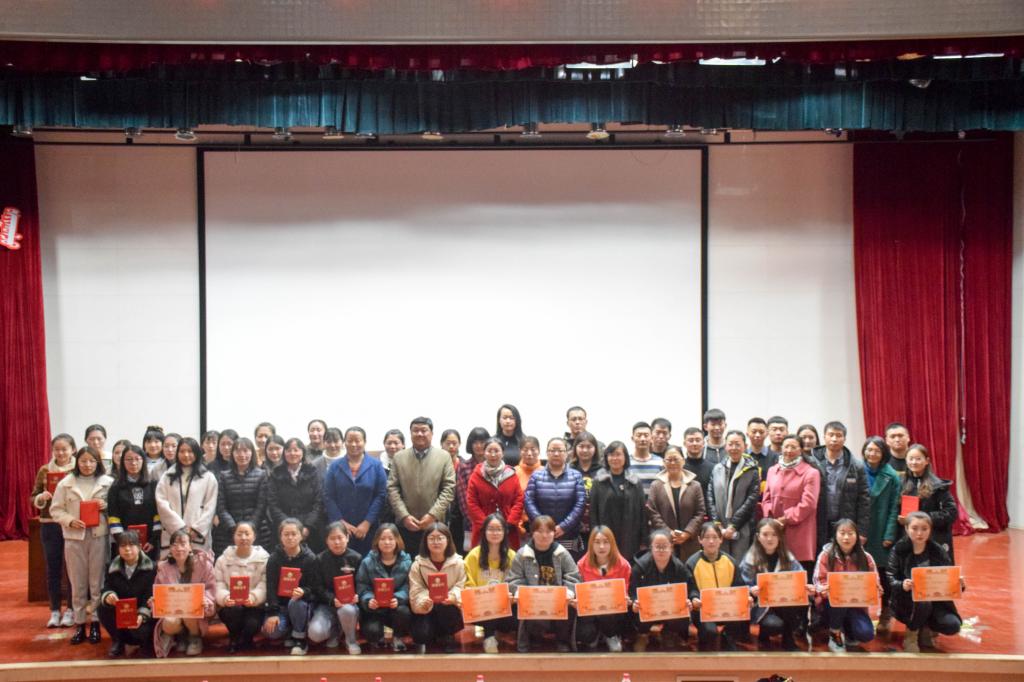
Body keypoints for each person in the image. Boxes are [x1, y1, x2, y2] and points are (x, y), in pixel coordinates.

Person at [50, 446, 113, 645]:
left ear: (98, 463)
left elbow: (118, 507)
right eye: (83, 461)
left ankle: (95, 622)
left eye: (92, 461)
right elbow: (55, 510)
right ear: (77, 462)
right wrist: (69, 520)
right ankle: (79, 624)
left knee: (97, 582)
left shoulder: (107, 482)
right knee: (77, 583)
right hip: (74, 538)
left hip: (98, 536)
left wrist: (106, 506)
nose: (87, 465)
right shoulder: (66, 483)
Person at [888, 511, 965, 652]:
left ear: (930, 530)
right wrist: (902, 585)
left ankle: (926, 628)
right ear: (906, 529)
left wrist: (959, 585)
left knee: (952, 625)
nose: (919, 533)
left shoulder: (938, 550)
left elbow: (948, 577)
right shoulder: (899, 549)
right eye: (914, 528)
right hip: (907, 601)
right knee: (923, 602)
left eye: (924, 529)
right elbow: (891, 577)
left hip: (936, 600)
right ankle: (911, 635)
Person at [508, 515, 581, 653]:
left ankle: (562, 641)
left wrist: (568, 592)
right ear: (532, 533)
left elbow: (574, 577)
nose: (544, 535)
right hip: (533, 602)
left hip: (558, 602)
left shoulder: (562, 553)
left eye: (548, 531)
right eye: (540, 531)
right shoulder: (522, 554)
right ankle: (534, 638)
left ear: (554, 533)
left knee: (570, 606)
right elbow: (513, 579)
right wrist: (521, 592)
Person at [387, 417, 457, 553]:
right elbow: (392, 488)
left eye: (424, 430)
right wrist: (404, 516)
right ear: (410, 433)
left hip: (435, 525)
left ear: (432, 433)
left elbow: (449, 488)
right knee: (407, 561)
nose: (419, 434)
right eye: (415, 430)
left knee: (434, 560)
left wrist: (433, 515)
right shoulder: (399, 457)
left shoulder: (444, 457)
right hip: (405, 524)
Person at [740, 518, 811, 651]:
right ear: (758, 537)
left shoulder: (788, 557)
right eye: (765, 534)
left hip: (783, 604)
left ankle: (788, 638)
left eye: (774, 534)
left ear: (780, 537)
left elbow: (800, 577)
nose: (770, 539)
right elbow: (742, 586)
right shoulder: (750, 560)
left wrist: (807, 587)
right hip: (761, 606)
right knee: (773, 626)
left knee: (801, 602)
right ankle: (763, 634)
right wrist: (751, 590)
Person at [29, 432, 77, 628]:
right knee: (53, 567)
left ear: (73, 449)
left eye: (64, 449)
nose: (61, 453)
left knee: (73, 568)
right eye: (57, 449)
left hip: (71, 524)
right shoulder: (44, 470)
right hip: (49, 523)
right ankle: (55, 610)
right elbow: (33, 497)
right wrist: (41, 498)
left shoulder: (79, 468)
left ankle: (71, 609)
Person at [812, 518, 881, 653]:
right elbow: (818, 581)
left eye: (850, 533)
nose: (846, 537)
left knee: (866, 634)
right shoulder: (825, 555)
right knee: (840, 597)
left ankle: (849, 631)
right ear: (835, 535)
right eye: (842, 533)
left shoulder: (866, 558)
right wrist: (825, 589)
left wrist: (874, 589)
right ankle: (834, 633)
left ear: (857, 536)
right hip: (831, 604)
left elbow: (875, 582)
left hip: (856, 605)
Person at [323, 426, 389, 557]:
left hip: (369, 528)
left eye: (357, 440)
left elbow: (381, 495)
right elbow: (328, 496)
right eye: (350, 441)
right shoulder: (335, 466)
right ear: (344, 443)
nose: (354, 444)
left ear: (364, 442)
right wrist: (341, 523)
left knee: (368, 562)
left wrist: (367, 523)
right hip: (341, 531)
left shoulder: (376, 465)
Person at [761, 434, 821, 575]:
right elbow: (766, 499)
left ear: (801, 450)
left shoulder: (811, 473)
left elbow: (809, 503)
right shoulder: (772, 470)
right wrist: (771, 519)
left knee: (799, 577)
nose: (789, 450)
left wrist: (785, 519)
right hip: (774, 531)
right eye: (786, 446)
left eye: (793, 447)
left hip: (800, 532)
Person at [686, 522, 750, 651]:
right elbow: (691, 589)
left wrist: (746, 597)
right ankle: (704, 639)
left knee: (745, 612)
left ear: (721, 539)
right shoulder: (691, 563)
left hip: (727, 608)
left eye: (715, 537)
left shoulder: (730, 562)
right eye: (707, 537)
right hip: (703, 610)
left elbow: (739, 587)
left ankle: (727, 636)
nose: (711, 541)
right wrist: (694, 598)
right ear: (700, 540)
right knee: (710, 632)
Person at [263, 517, 323, 655]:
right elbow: (270, 586)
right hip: (281, 606)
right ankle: (289, 630)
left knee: (296, 603)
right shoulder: (274, 559)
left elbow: (315, 587)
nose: (290, 538)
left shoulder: (310, 558)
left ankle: (299, 638)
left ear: (301, 536)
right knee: (271, 632)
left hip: (301, 604)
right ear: (280, 537)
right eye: (286, 534)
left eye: (294, 534)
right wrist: (273, 613)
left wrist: (304, 591)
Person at [152, 529, 216, 657]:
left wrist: (205, 599)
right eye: (174, 545)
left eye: (183, 544)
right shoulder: (163, 568)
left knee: (189, 611)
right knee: (169, 622)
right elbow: (159, 591)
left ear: (190, 547)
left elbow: (211, 589)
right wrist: (155, 601)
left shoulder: (204, 565)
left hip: (196, 612)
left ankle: (194, 637)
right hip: (173, 612)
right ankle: (180, 636)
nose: (179, 548)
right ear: (170, 548)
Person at [861, 436, 901, 634]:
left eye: (877, 450)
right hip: (861, 530)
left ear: (884, 453)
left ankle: (886, 612)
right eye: (869, 450)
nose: (872, 454)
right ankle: (860, 612)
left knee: (884, 575)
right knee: (860, 573)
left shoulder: (891, 475)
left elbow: (895, 507)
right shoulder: (857, 470)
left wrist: (890, 534)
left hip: (881, 530)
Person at [630, 528, 693, 652]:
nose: (661, 550)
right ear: (651, 548)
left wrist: (689, 600)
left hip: (669, 611)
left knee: (683, 610)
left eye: (664, 547)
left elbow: (690, 589)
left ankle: (669, 633)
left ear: (671, 547)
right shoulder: (639, 567)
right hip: (647, 611)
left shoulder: (679, 567)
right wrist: (634, 602)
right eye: (657, 547)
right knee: (635, 610)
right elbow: (632, 591)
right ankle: (642, 635)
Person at [408, 522, 467, 653]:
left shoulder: (459, 563)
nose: (436, 542)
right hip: (427, 608)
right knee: (421, 635)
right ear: (426, 541)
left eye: (440, 538)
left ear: (448, 540)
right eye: (432, 538)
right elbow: (416, 589)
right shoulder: (418, 565)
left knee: (446, 608)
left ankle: (449, 636)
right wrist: (425, 600)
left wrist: (452, 597)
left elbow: (461, 585)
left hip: (449, 608)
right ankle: (432, 634)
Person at [463, 513, 518, 653]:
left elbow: (516, 582)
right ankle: (489, 638)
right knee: (489, 603)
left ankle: (498, 633)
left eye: (499, 529)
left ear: (505, 532)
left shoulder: (512, 556)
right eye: (491, 529)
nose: (495, 533)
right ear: (484, 531)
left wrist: (511, 596)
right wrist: (482, 596)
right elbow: (467, 584)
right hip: (479, 607)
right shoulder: (473, 555)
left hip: (505, 607)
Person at [812, 421, 870, 552]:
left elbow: (864, 501)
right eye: (831, 435)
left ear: (844, 439)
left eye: (838, 435)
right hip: (819, 523)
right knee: (821, 559)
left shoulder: (856, 466)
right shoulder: (812, 463)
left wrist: (862, 531)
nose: (834, 439)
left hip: (846, 525)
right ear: (824, 437)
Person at [155, 437, 218, 557]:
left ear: (197, 453)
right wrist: (179, 528)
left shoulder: (208, 477)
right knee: (172, 567)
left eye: (190, 451)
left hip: (197, 537)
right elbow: (161, 503)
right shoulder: (167, 476)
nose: (186, 455)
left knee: (197, 567)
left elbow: (210, 507)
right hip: (172, 534)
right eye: (182, 451)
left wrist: (196, 529)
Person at [524, 437, 586, 557]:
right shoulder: (536, 476)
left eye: (560, 450)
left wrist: (564, 526)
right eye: (552, 450)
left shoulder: (576, 476)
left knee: (568, 567)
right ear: (547, 453)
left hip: (568, 535)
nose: (556, 454)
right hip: (542, 535)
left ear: (566, 453)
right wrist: (544, 526)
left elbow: (580, 503)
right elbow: (529, 501)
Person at [308, 522, 364, 654]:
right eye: (332, 538)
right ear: (326, 540)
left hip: (349, 605)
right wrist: (332, 599)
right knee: (315, 634)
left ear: (347, 538)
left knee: (347, 610)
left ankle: (351, 640)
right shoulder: (319, 559)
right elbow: (317, 587)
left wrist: (357, 595)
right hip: (327, 605)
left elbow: (362, 583)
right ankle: (336, 630)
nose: (337, 542)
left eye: (340, 537)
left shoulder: (356, 558)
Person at [99, 530, 156, 657]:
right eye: (123, 546)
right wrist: (108, 595)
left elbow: (150, 596)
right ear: (118, 549)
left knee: (149, 617)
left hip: (142, 616)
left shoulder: (152, 568)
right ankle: (118, 641)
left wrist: (142, 615)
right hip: (122, 614)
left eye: (131, 545)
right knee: (102, 607)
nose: (127, 549)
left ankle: (146, 643)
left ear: (139, 547)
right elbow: (107, 587)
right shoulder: (111, 567)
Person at [356, 523, 412, 652]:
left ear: (397, 540)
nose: (387, 542)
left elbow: (409, 586)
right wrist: (369, 599)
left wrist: (398, 598)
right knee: (371, 631)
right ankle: (379, 637)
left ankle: (398, 637)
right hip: (375, 609)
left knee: (404, 612)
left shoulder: (407, 562)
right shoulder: (367, 562)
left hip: (396, 608)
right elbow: (361, 585)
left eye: (391, 538)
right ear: (377, 541)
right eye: (382, 539)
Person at [214, 520, 269, 652]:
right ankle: (234, 637)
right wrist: (225, 597)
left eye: (247, 534)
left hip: (254, 605)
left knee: (252, 624)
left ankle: (247, 639)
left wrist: (254, 597)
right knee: (234, 611)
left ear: (254, 536)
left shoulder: (264, 558)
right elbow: (218, 583)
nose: (243, 537)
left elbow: (264, 583)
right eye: (239, 534)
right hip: (231, 605)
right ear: (234, 537)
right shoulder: (223, 559)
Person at [706, 430, 760, 561]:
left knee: (740, 563)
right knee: (720, 562)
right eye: (730, 444)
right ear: (725, 446)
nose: (734, 448)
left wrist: (734, 525)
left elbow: (751, 500)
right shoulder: (717, 468)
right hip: (720, 526)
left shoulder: (752, 470)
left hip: (742, 526)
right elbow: (710, 497)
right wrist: (717, 523)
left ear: (745, 446)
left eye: (737, 444)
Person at [575, 526, 631, 652]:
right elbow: (578, 592)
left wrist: (626, 599)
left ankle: (611, 635)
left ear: (612, 544)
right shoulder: (581, 565)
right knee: (585, 634)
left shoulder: (624, 566)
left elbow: (626, 591)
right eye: (597, 542)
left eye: (606, 542)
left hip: (612, 613)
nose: (601, 547)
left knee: (610, 614)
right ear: (591, 544)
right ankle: (594, 635)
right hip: (590, 612)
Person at [589, 441, 646, 563]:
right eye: (611, 455)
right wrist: (595, 537)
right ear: (606, 457)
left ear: (625, 457)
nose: (615, 458)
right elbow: (593, 513)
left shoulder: (635, 482)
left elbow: (642, 513)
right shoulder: (598, 481)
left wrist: (643, 540)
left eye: (618, 454)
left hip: (630, 536)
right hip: (605, 536)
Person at [900, 444, 958, 562]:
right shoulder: (902, 484)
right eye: (911, 459)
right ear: (906, 461)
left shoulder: (938, 486)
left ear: (926, 461)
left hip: (934, 538)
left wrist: (923, 518)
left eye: (918, 459)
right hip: (911, 539)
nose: (914, 462)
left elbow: (951, 512)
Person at [646, 446, 705, 561]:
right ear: (664, 462)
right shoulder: (656, 486)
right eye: (669, 460)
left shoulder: (695, 486)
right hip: (664, 542)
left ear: (683, 461)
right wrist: (668, 533)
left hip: (690, 542)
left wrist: (687, 533)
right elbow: (652, 512)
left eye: (676, 459)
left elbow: (700, 512)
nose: (672, 463)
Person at [267, 437, 325, 553]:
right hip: (283, 527)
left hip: (309, 528)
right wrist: (287, 527)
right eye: (288, 450)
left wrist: (307, 526)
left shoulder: (312, 471)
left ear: (303, 452)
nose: (292, 453)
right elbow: (273, 504)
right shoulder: (276, 473)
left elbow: (319, 502)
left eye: (296, 450)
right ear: (284, 453)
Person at [466, 437, 525, 550]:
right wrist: (486, 525)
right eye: (489, 451)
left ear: (502, 453)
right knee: (482, 557)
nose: (493, 454)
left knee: (508, 558)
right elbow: (471, 502)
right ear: (484, 453)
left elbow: (519, 500)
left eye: (496, 451)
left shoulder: (511, 474)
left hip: (508, 527)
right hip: (482, 528)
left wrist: (510, 522)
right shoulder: (476, 475)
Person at [214, 437, 269, 556]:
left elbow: (262, 505)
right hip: (228, 532)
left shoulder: (262, 475)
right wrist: (234, 529)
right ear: (232, 454)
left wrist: (249, 529)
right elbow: (221, 506)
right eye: (237, 451)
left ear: (252, 453)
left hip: (257, 531)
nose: (242, 455)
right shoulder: (224, 476)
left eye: (245, 450)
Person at [107, 444, 161, 562]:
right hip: (125, 545)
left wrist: (153, 540)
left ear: (143, 460)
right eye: (129, 459)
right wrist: (123, 542)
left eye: (137, 459)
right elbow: (113, 517)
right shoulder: (116, 487)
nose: (133, 463)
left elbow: (157, 514)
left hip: (150, 543)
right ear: (123, 462)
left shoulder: (153, 484)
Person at [456, 427, 489, 551]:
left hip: (493, 522)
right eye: (475, 442)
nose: (479, 446)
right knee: (473, 555)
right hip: (471, 523)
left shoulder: (495, 465)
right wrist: (477, 521)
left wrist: (491, 522)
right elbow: (463, 499)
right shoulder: (464, 466)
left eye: (482, 442)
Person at [569, 431, 601, 551]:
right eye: (581, 446)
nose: (585, 450)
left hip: (596, 522)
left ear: (595, 449)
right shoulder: (568, 470)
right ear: (575, 448)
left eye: (589, 447)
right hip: (573, 523)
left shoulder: (602, 471)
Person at [440, 429, 466, 551]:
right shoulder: (436, 465)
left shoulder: (464, 466)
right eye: (448, 443)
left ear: (459, 444)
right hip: (441, 512)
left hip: (460, 515)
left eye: (454, 443)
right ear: (441, 444)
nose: (451, 446)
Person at [682, 427, 715, 514]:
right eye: (691, 440)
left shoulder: (712, 468)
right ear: (684, 443)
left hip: (707, 515)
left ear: (703, 443)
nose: (694, 443)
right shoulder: (680, 468)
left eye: (698, 440)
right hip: (684, 514)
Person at [629, 421, 662, 495]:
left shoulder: (660, 462)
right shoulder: (626, 462)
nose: (642, 439)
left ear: (652, 438)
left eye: (646, 435)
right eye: (639, 435)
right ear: (632, 438)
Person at [746, 417, 775, 485]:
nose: (757, 435)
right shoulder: (742, 456)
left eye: (761, 432)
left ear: (767, 434)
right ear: (747, 433)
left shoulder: (775, 457)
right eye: (754, 432)